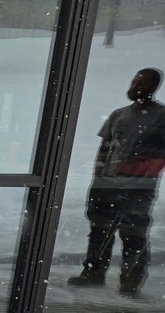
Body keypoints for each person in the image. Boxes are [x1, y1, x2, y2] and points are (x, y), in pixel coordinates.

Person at [68, 68, 165, 296]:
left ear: (154, 86)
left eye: (143, 82)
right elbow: (104, 149)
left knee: (133, 235)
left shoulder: (162, 117)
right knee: (100, 231)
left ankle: (130, 281)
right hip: (108, 185)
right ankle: (94, 273)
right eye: (135, 81)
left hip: (137, 188)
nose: (136, 86)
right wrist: (98, 180)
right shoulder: (118, 115)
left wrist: (145, 173)